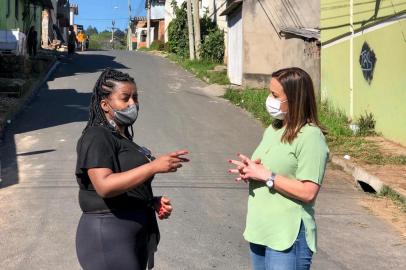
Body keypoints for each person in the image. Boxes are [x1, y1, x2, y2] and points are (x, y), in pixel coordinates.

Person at [75, 68, 189, 270]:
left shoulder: (123, 138)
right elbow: (104, 186)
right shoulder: (96, 136)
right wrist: (153, 167)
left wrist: (147, 200)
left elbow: (124, 182)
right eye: (125, 98)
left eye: (135, 97)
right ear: (105, 104)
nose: (132, 104)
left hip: (130, 235)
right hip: (108, 236)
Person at [228, 67, 329, 270]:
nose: (269, 99)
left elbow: (308, 192)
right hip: (262, 229)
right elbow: (266, 169)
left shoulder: (311, 137)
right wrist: (251, 171)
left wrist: (267, 175)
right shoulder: (274, 128)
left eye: (275, 95)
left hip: (287, 235)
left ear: (294, 99)